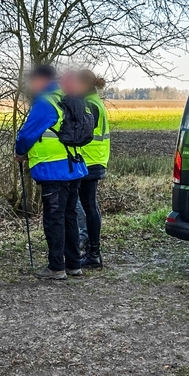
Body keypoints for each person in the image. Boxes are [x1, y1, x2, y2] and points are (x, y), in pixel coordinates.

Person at [14, 64, 88, 280]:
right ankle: (74, 264)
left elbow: (27, 135)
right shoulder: (66, 98)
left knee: (54, 219)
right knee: (70, 217)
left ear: (40, 81)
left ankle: (56, 267)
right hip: (73, 166)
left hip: (52, 170)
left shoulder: (45, 102)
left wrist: (19, 152)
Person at [77, 69, 109, 268]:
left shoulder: (89, 105)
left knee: (88, 206)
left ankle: (93, 252)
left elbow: (82, 133)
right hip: (95, 159)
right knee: (90, 205)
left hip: (88, 160)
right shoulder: (96, 102)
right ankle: (92, 249)